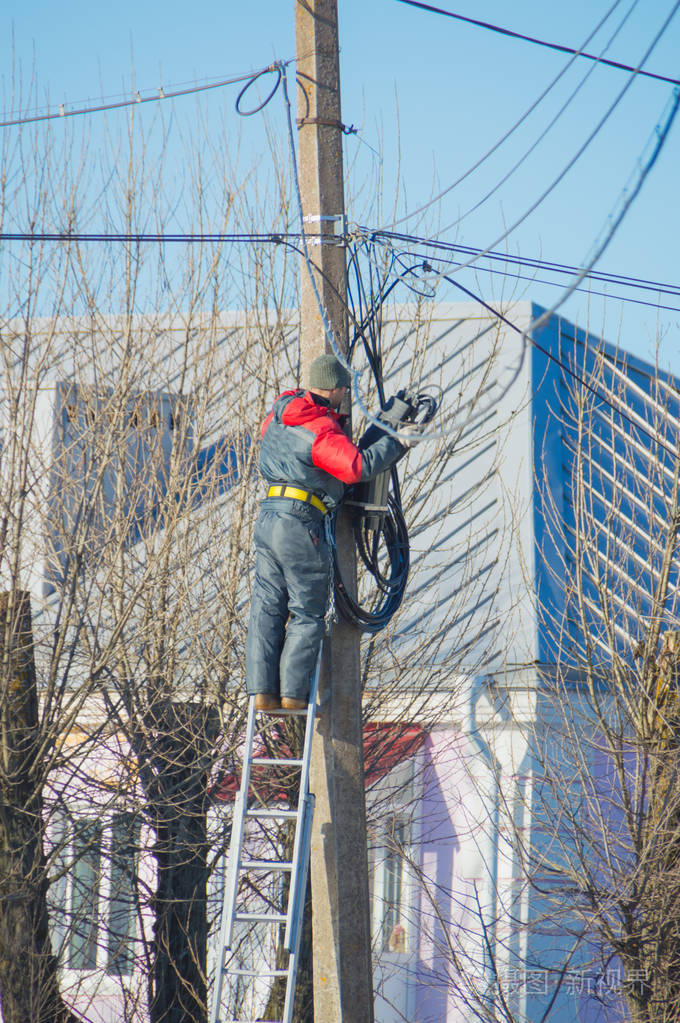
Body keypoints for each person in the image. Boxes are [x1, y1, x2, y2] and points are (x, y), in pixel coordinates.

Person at [245, 353, 411, 712]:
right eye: (343, 390)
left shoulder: (278, 416)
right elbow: (356, 466)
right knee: (307, 611)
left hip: (269, 517)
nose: (343, 396)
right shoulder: (319, 429)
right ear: (335, 388)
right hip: (301, 522)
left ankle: (261, 692)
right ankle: (292, 695)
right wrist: (398, 442)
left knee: (267, 606)